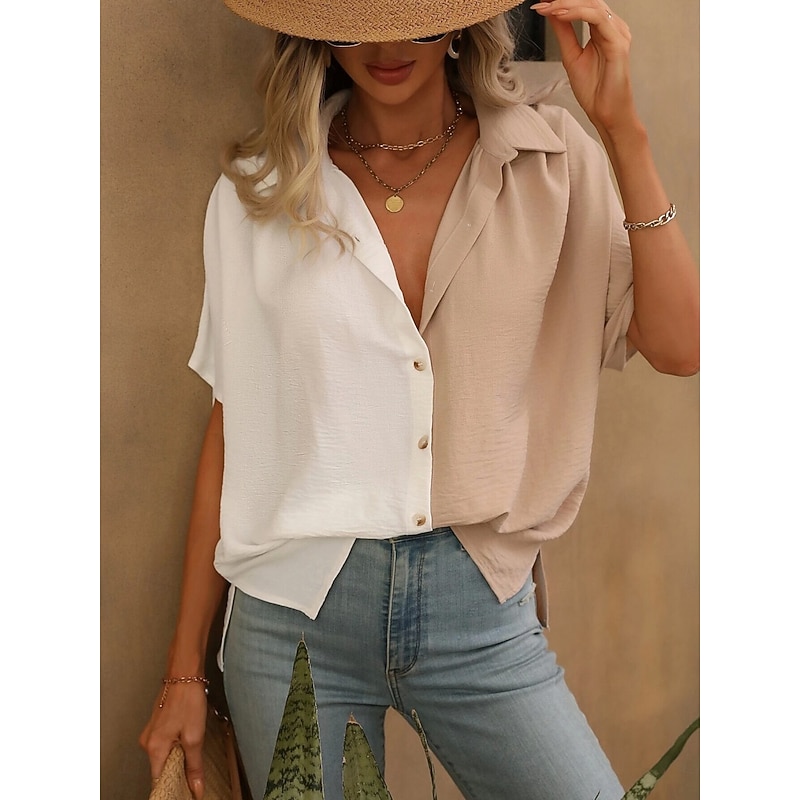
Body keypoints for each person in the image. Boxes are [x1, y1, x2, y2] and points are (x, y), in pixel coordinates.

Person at [140, 0, 700, 798]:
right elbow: (237, 425)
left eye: (417, 14)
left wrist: (621, 131)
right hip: (292, 616)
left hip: (478, 607)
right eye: (357, 19)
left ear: (462, 19)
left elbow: (681, 346)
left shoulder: (549, 161)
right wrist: (183, 674)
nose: (388, 44)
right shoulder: (258, 191)